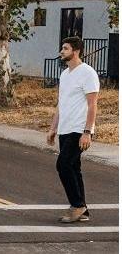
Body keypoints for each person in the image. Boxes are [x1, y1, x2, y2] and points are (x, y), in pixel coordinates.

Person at [47, 36, 99, 223]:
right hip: (65, 128)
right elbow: (61, 103)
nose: (61, 51)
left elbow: (93, 105)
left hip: (79, 129)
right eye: (62, 48)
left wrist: (87, 132)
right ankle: (82, 210)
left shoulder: (88, 73)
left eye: (65, 48)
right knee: (74, 168)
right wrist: (53, 127)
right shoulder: (65, 74)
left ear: (75, 51)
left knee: (63, 165)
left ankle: (77, 205)